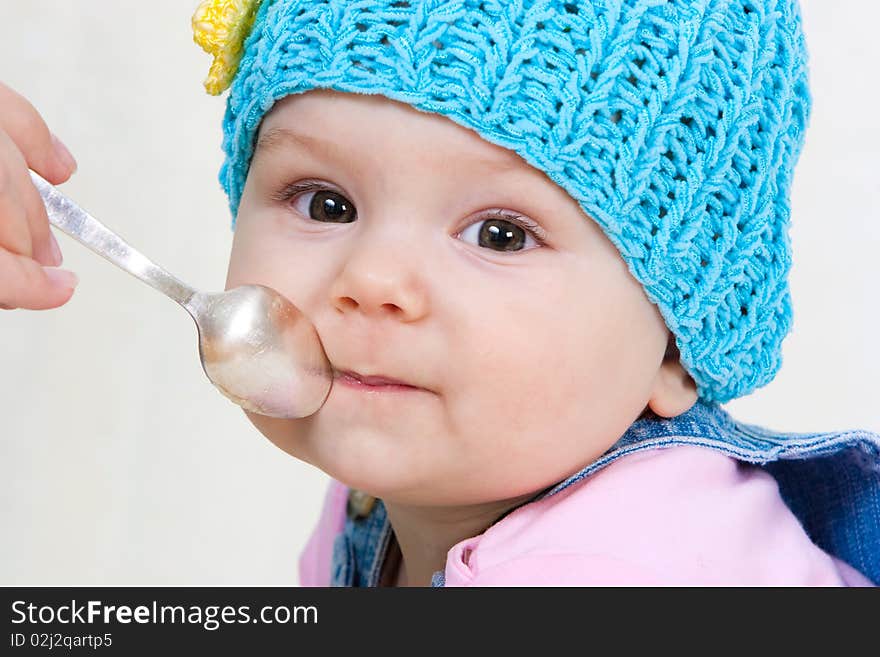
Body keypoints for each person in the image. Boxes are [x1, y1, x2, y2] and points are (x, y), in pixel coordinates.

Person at [2, 0, 877, 586]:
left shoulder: (622, 567)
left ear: (680, 346)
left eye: (500, 233)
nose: (372, 282)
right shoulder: (381, 498)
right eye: (325, 203)